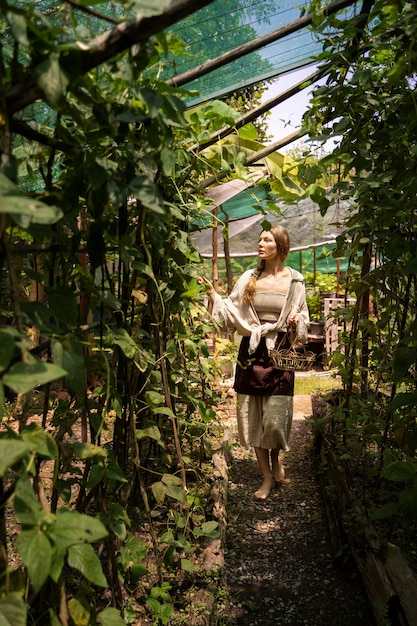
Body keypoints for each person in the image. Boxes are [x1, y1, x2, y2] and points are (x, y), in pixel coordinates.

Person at [199, 224, 309, 500]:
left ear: (281, 247)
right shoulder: (249, 277)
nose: (260, 243)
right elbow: (232, 312)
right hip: (252, 351)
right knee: (252, 416)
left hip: (281, 351)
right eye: (260, 239)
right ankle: (267, 477)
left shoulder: (295, 280)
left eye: (267, 239)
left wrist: (297, 322)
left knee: (275, 417)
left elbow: (304, 315)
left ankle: (276, 461)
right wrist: (214, 297)